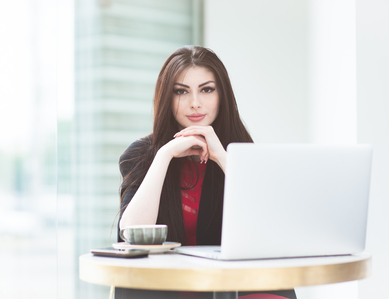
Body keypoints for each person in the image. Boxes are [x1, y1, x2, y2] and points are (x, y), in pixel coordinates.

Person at [116, 46, 296, 299]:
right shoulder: (141, 153)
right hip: (163, 287)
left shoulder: (241, 151)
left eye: (207, 89)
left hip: (231, 283)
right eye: (181, 91)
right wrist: (163, 156)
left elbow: (270, 226)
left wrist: (222, 156)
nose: (195, 103)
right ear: (166, 97)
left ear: (222, 95)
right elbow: (131, 233)